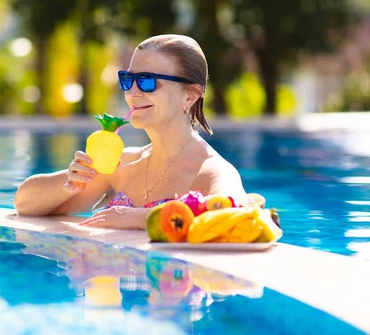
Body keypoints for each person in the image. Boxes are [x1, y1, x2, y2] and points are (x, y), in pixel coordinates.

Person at [14, 34, 251, 229]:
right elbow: (23, 203)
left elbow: (235, 212)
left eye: (147, 81)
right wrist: (68, 182)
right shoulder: (123, 163)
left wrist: (139, 218)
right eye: (128, 79)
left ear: (189, 95)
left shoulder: (209, 171)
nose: (132, 93)